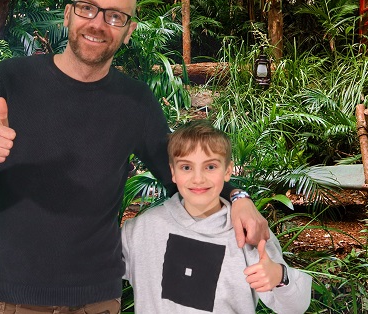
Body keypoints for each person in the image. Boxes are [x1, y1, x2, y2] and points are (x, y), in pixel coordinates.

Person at [0, 0, 269, 314]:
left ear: (128, 31)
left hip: (97, 298)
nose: (98, 24)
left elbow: (179, 174)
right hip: (15, 295)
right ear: (68, 14)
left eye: (115, 16)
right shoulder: (13, 79)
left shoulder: (134, 101)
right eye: (87, 8)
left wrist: (237, 196)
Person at [121, 120, 312, 313]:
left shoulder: (248, 230)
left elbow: (295, 307)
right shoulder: (140, 229)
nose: (198, 178)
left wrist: (280, 276)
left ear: (228, 171)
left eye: (210, 167)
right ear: (173, 172)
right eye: (186, 167)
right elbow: (95, 269)